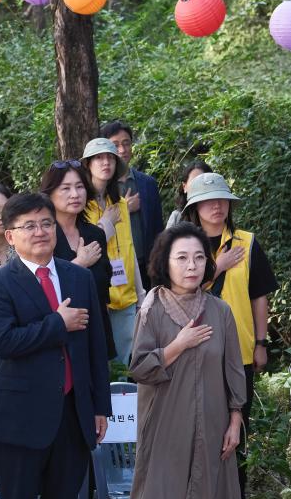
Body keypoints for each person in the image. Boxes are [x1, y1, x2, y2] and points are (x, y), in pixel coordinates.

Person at [0, 192, 110, 499]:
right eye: (29, 226)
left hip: (71, 414)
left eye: (47, 223)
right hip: (19, 419)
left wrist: (99, 406)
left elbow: (95, 348)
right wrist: (57, 323)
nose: (40, 232)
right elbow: (4, 341)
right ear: (10, 236)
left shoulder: (78, 277)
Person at [126, 222, 245, 499]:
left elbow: (233, 368)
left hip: (211, 421)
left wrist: (235, 419)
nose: (191, 266)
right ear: (166, 263)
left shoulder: (219, 311)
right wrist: (177, 346)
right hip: (164, 421)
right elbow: (140, 367)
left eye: (198, 258)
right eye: (182, 258)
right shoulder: (153, 307)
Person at [181, 172, 279, 499]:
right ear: (194, 207)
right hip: (193, 349)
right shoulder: (182, 246)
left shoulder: (246, 242)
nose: (217, 206)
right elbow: (176, 291)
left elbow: (259, 295)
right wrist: (216, 267)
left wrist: (261, 342)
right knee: (196, 424)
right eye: (208, 201)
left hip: (239, 350)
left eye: (222, 200)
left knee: (238, 425)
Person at [41, 160, 116, 359]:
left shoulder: (94, 234)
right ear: (49, 194)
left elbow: (104, 284)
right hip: (57, 335)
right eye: (65, 188)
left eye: (80, 186)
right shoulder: (42, 236)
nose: (75, 194)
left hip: (95, 330)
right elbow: (39, 286)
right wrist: (79, 264)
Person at [82, 137, 144, 366]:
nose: (105, 162)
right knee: (101, 365)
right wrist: (106, 224)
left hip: (126, 295)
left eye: (110, 158)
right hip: (98, 296)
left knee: (123, 366)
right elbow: (89, 249)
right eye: (99, 158)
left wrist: (141, 294)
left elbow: (130, 249)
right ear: (88, 164)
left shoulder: (120, 204)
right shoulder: (80, 205)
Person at [101, 121, 164, 288]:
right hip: (115, 266)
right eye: (115, 145)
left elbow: (159, 228)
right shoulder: (101, 186)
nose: (122, 150)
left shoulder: (147, 183)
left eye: (126, 143)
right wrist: (125, 209)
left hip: (146, 264)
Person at [166, 160, 212, 228]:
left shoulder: (218, 211)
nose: (199, 185)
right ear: (184, 186)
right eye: (194, 181)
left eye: (202, 181)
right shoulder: (177, 217)